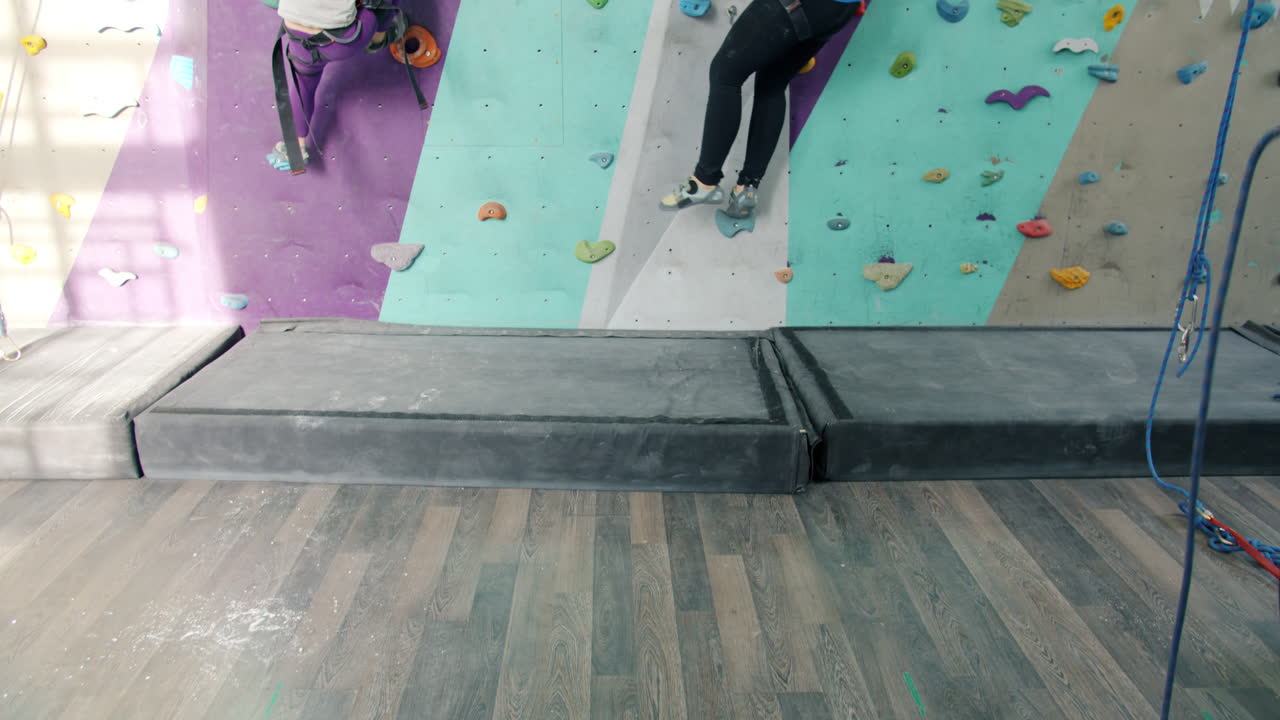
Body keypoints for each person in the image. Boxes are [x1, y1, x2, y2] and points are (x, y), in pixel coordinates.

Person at [661, 0, 865, 218]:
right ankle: (747, 188)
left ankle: (704, 181)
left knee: (725, 73)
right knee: (772, 85)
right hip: (839, 10)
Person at [267, 0, 402, 171]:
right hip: (340, 42)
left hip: (297, 36)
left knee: (304, 81)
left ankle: (294, 146)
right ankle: (378, 39)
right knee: (378, 6)